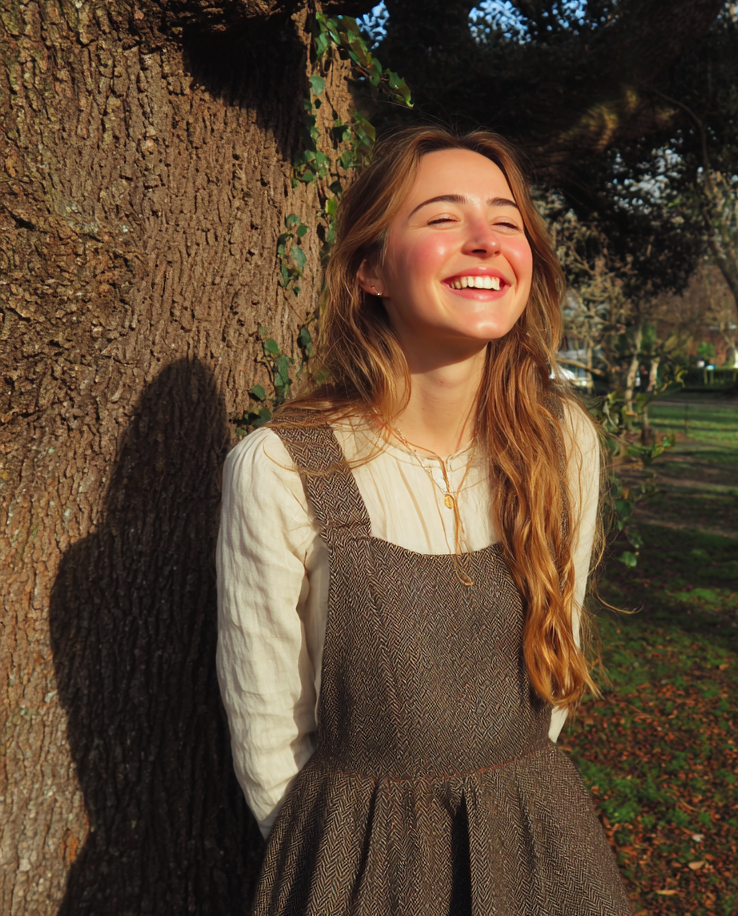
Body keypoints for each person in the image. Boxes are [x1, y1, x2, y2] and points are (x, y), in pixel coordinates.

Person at [215, 126, 632, 915]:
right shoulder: (280, 470)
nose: (485, 241)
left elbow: (554, 669)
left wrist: (500, 815)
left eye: (507, 222)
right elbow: (267, 732)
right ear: (370, 268)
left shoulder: (561, 439)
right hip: (362, 865)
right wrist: (353, 862)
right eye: (443, 218)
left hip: (539, 844)